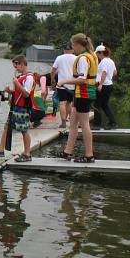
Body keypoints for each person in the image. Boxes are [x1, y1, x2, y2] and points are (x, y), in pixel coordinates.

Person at [58, 33, 98, 163]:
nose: (73, 48)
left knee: (84, 124)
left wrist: (64, 81)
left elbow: (81, 79)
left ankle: (89, 155)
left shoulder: (83, 58)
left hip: (84, 94)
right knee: (73, 122)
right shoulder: (92, 55)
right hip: (81, 94)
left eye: (74, 45)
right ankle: (67, 152)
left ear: (79, 45)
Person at [0, 55, 34, 162]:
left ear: (22, 64)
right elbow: (18, 93)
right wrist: (10, 91)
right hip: (15, 107)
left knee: (24, 130)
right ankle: (0, 150)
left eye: (16, 66)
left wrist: (17, 84)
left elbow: (26, 93)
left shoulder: (29, 77)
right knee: (7, 127)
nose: (15, 69)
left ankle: (27, 154)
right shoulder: (20, 77)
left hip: (23, 108)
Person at [93, 44, 118, 130]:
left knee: (96, 105)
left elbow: (104, 72)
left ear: (101, 53)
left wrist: (100, 84)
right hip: (109, 85)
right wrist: (109, 78)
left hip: (103, 85)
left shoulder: (103, 61)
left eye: (97, 54)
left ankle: (97, 125)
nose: (96, 55)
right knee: (104, 105)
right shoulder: (111, 61)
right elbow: (115, 72)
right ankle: (113, 123)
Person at [51, 43, 77, 129]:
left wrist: (53, 80)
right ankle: (72, 122)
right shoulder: (76, 58)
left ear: (64, 50)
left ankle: (63, 123)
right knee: (69, 103)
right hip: (72, 84)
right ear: (72, 50)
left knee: (62, 103)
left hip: (61, 84)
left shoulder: (59, 58)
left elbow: (53, 70)